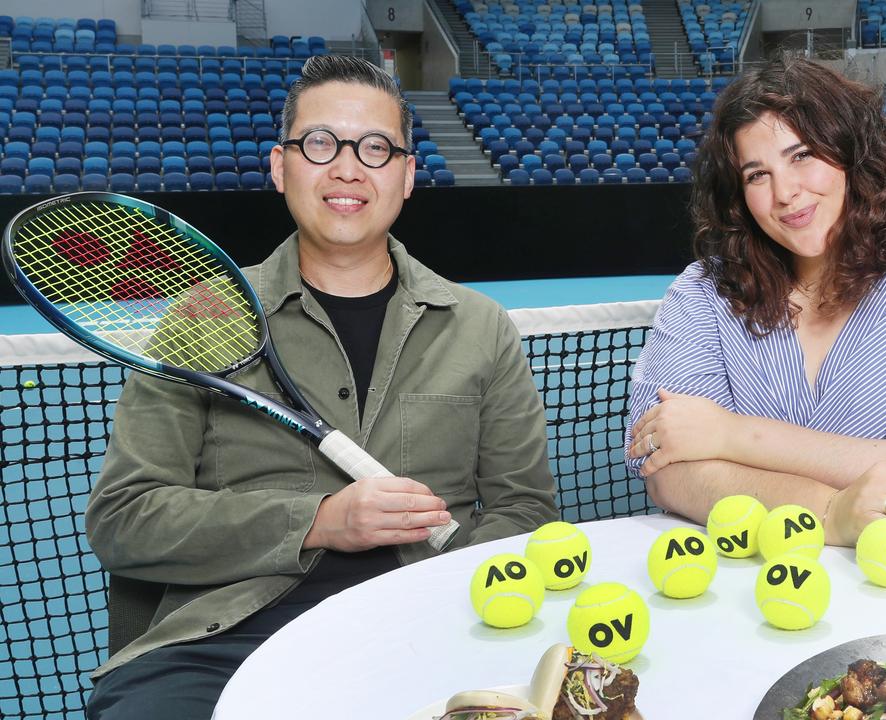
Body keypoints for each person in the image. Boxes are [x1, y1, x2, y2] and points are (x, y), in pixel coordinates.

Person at [85, 55, 559, 718]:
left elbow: (527, 513)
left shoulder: (481, 328)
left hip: (429, 624)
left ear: (407, 176)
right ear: (281, 166)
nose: (346, 167)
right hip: (227, 637)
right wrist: (318, 522)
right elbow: (124, 518)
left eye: (375, 148)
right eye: (320, 143)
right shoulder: (202, 318)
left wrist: (457, 570)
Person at [624, 57, 886, 547]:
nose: (785, 192)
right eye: (756, 175)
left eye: (802, 155)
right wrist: (832, 511)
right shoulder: (701, 293)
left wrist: (729, 437)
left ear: (853, 155)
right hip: (749, 589)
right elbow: (665, 469)